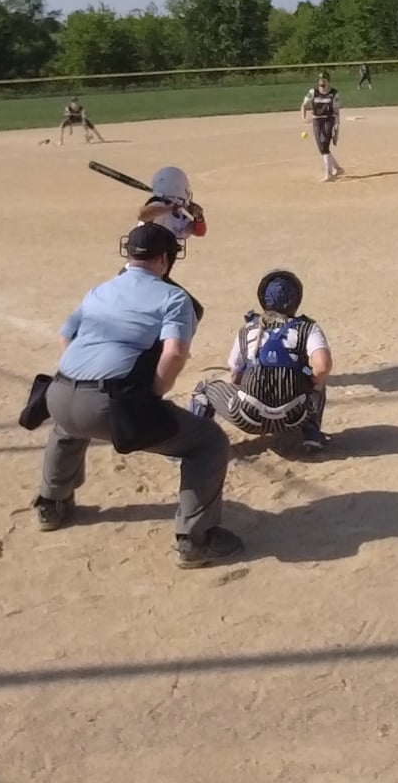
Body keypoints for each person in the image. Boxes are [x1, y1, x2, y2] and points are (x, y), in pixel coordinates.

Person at [33, 223, 243, 568]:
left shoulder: (99, 290)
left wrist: (82, 373)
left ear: (128, 254)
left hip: (57, 394)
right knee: (208, 441)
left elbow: (64, 336)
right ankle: (197, 539)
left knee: (69, 424)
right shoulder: (174, 297)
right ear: (164, 259)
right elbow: (174, 352)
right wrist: (153, 393)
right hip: (108, 405)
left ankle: (50, 504)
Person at [189, 270, 334, 454]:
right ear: (296, 300)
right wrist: (306, 382)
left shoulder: (248, 329)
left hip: (248, 417)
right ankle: (312, 434)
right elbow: (323, 367)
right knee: (318, 380)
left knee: (204, 389)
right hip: (295, 417)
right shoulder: (308, 328)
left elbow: (235, 377)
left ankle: (191, 446)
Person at [134, 166, 207, 319]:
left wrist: (199, 217)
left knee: (193, 311)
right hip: (141, 275)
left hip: (158, 277)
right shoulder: (158, 205)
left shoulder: (177, 214)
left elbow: (199, 231)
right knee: (193, 311)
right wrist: (169, 207)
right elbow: (143, 214)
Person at [301, 72, 343, 182]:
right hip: (316, 120)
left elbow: (336, 111)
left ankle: (328, 175)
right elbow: (304, 105)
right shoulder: (313, 92)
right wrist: (303, 118)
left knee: (324, 143)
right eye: (320, 80)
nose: (322, 83)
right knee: (321, 147)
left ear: (328, 81)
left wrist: (337, 128)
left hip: (328, 119)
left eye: (324, 80)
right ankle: (337, 169)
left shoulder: (334, 93)